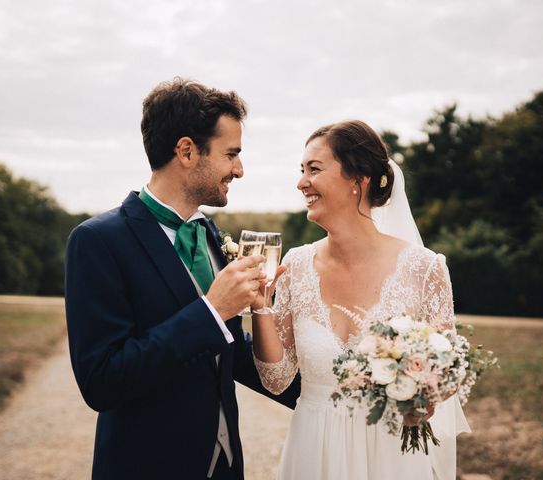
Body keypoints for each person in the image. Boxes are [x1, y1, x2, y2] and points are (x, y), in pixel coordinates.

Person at [64, 77, 300, 480]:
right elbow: (101, 381)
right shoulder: (97, 241)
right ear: (187, 151)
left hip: (224, 467)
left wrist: (330, 398)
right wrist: (212, 311)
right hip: (145, 466)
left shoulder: (209, 234)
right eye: (231, 154)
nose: (239, 170)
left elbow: (226, 352)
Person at [251, 120, 470, 479]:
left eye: (314, 169)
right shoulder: (294, 265)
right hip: (313, 451)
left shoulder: (425, 268)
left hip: (391, 457)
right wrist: (260, 305)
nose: (301, 182)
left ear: (358, 179)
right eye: (301, 170)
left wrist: (422, 399)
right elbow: (276, 379)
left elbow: (448, 377)